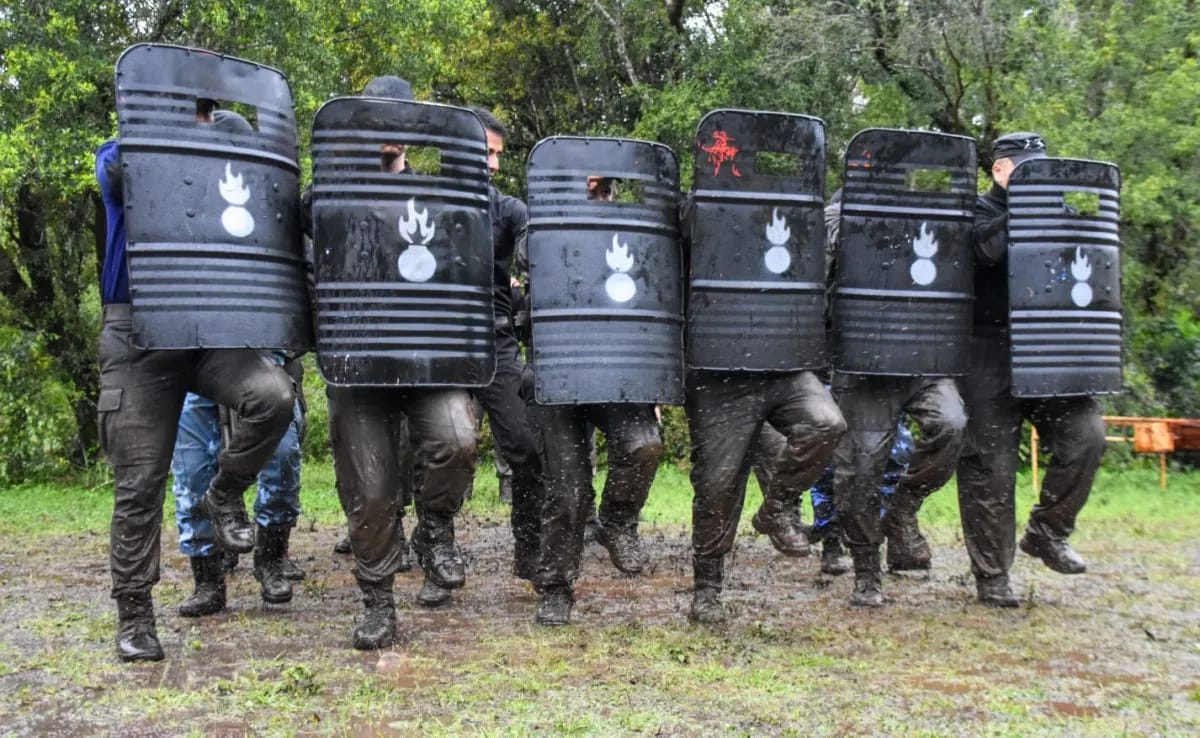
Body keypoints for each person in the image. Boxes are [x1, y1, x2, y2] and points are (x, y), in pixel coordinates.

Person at [95, 96, 296, 661]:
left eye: (207, 112)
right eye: (193, 111)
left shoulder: (224, 180)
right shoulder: (124, 156)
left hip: (209, 331)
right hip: (138, 336)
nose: (202, 125)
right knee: (139, 485)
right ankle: (134, 614)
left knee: (273, 395)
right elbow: (114, 169)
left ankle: (224, 494)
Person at [317, 76, 479, 649]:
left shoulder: (440, 196)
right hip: (358, 363)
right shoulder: (330, 191)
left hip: (429, 359)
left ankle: (436, 527)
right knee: (372, 488)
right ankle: (378, 600)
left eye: (397, 119)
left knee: (457, 438)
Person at [957, 132, 1107, 607]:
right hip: (986, 352)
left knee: (1086, 435)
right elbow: (985, 252)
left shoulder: (1059, 217)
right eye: (1027, 170)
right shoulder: (975, 210)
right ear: (1001, 170)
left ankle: (1047, 532)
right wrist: (1026, 207)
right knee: (989, 468)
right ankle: (992, 576)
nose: (1038, 178)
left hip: (1051, 350)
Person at [529, 172, 668, 626]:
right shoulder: (543, 223)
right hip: (559, 369)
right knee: (567, 491)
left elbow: (652, 305)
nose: (599, 194)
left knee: (644, 445)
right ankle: (555, 587)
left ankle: (616, 521)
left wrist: (653, 382)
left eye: (606, 187)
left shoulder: (632, 234)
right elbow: (525, 256)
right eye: (591, 186)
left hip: (620, 371)